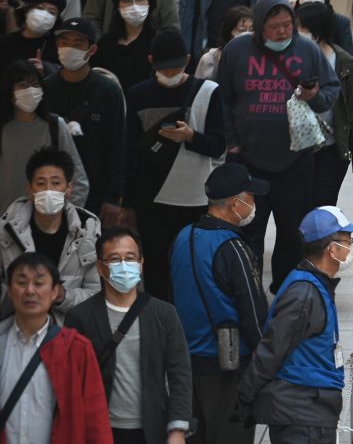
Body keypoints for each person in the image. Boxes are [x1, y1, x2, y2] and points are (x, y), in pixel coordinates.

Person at [217, 0, 340, 290]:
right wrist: (231, 143)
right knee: (248, 231)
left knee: (292, 233)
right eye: (275, 27)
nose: (283, 32)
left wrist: (315, 97)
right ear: (259, 27)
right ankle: (249, 289)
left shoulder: (308, 50)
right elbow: (223, 99)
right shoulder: (237, 50)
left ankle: (286, 290)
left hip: (295, 161)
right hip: (248, 159)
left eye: (288, 25)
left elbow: (331, 90)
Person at [238, 206, 353, 442]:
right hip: (302, 414)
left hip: (310, 409)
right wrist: (246, 396)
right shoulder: (303, 294)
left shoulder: (313, 284)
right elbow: (271, 351)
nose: (350, 248)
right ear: (331, 249)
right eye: (348, 241)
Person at [170, 162, 270, 444]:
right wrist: (268, 365)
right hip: (227, 368)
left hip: (188, 364)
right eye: (250, 197)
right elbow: (253, 313)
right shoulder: (233, 247)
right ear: (236, 202)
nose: (253, 203)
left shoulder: (183, 236)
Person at [65, 226, 192, 444]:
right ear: (100, 267)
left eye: (130, 258)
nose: (124, 265)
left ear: (141, 264)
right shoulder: (80, 317)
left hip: (152, 429)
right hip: (100, 429)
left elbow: (180, 373)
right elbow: (71, 380)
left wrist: (177, 429)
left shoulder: (164, 313)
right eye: (114, 259)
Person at [123, 31, 225, 301]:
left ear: (189, 61)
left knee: (193, 268)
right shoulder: (138, 94)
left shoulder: (209, 92)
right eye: (163, 67)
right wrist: (127, 202)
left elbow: (218, 145)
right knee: (156, 269)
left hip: (195, 197)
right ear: (150, 61)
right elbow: (129, 152)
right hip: (151, 198)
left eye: (177, 66)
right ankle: (161, 325)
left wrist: (190, 137)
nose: (170, 72)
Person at [0, 252, 113, 443]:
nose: (30, 290)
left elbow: (96, 420)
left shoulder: (76, 349)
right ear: (9, 291)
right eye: (21, 282)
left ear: (55, 292)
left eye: (39, 283)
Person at [42, 17, 125, 225]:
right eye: (64, 42)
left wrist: (114, 196)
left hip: (97, 190)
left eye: (78, 43)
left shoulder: (108, 90)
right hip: (52, 189)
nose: (69, 48)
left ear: (92, 50)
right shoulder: (45, 89)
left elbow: (118, 144)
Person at [0, 147, 99, 320]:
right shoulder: (5, 230)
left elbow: (96, 294)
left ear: (68, 188)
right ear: (30, 189)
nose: (48, 190)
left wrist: (63, 296)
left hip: (69, 331)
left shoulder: (88, 229)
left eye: (56, 183)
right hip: (18, 328)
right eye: (40, 183)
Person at [295, 1, 353, 206]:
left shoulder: (345, 62)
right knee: (298, 206)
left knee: (324, 205)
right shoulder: (289, 58)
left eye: (303, 27)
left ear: (318, 31)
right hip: (298, 147)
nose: (297, 32)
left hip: (332, 147)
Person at [0, 60, 89, 210]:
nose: (30, 90)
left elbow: (78, 178)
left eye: (35, 85)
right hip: (6, 219)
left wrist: (68, 216)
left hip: (49, 217)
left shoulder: (55, 126)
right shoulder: (4, 130)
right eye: (23, 85)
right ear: (10, 92)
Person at [90, 0, 158, 93]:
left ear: (149, 3)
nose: (134, 5)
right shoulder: (105, 45)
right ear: (118, 6)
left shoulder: (157, 44)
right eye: (126, 0)